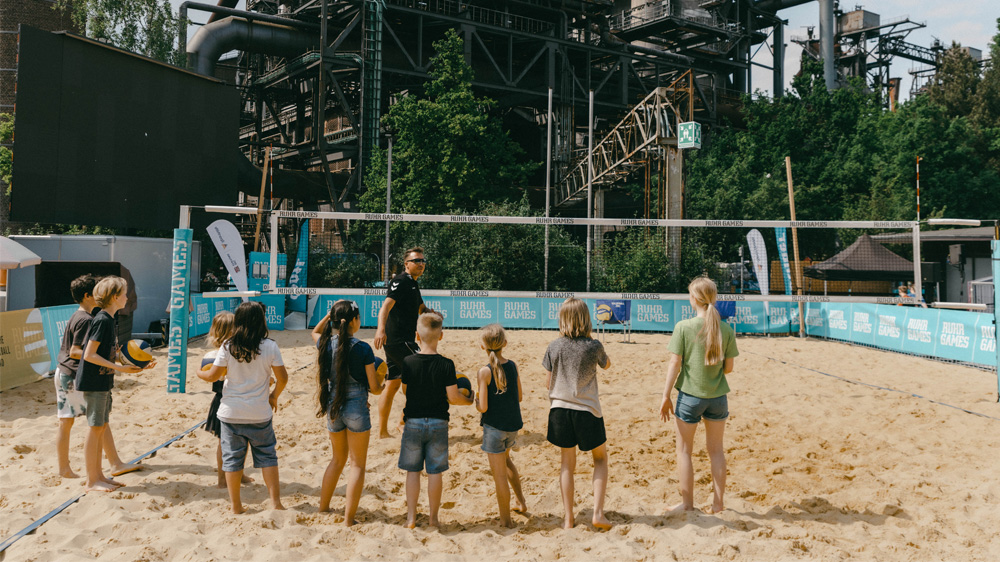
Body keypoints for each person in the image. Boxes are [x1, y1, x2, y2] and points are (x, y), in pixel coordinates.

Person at [198, 301, 288, 514]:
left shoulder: (228, 345)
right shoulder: (270, 346)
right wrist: (273, 396)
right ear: (261, 321)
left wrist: (199, 373)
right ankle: (275, 503)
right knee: (268, 456)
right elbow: (283, 378)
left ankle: (236, 506)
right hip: (259, 413)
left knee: (233, 460)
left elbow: (213, 376)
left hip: (231, 413)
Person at [659, 277, 739, 514]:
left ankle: (687, 505)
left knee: (684, 451)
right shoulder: (725, 329)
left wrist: (665, 396)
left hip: (690, 397)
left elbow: (675, 364)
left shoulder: (684, 327)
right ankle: (718, 503)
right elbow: (729, 369)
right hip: (717, 397)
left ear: (694, 299)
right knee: (716, 450)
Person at [55, 274, 139, 480]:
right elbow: (78, 352)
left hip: (74, 373)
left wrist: (120, 360)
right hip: (72, 374)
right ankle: (68, 469)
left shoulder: (88, 316)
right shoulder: (88, 319)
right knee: (79, 424)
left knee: (99, 423)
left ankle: (113, 463)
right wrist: (117, 366)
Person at [76, 276, 153, 493]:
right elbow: (89, 355)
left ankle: (99, 475)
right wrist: (120, 368)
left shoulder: (110, 319)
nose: (127, 296)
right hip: (94, 381)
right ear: (115, 297)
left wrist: (137, 363)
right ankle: (92, 480)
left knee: (100, 428)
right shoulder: (102, 320)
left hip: (102, 380)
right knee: (95, 429)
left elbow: (108, 353)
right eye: (125, 293)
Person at [543, 298, 612, 530]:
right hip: (587, 409)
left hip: (560, 409)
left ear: (562, 319)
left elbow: (547, 382)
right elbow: (607, 365)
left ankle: (569, 518)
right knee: (600, 459)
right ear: (586, 319)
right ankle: (598, 513)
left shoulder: (554, 346)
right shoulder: (594, 346)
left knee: (566, 465)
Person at [398, 312, 473, 528]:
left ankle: (411, 517)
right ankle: (433, 518)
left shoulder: (408, 362)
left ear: (416, 336)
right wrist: (468, 400)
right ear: (441, 336)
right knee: (435, 472)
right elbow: (453, 397)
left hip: (413, 422)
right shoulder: (447, 365)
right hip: (439, 423)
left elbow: (405, 391)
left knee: (413, 471)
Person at [313, 300, 384, 525]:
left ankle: (323, 508)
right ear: (354, 321)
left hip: (333, 405)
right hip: (356, 408)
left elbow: (315, 331)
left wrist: (330, 315)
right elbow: (373, 388)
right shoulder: (363, 348)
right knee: (357, 465)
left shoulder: (324, 344)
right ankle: (348, 520)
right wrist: (382, 385)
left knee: (337, 460)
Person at [374, 247, 432, 439]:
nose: (421, 264)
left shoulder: (413, 284)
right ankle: (402, 423)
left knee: (392, 385)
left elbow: (421, 308)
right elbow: (385, 307)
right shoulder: (401, 281)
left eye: (423, 261)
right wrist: (380, 330)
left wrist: (433, 315)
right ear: (406, 264)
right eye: (416, 261)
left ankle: (383, 432)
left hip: (400, 341)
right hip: (400, 340)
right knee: (421, 379)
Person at [474, 324, 527, 528]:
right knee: (507, 461)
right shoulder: (512, 366)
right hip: (512, 425)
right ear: (505, 344)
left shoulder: (484, 372)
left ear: (482, 347)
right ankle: (521, 502)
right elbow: (520, 397)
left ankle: (506, 521)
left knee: (499, 477)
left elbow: (483, 407)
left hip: (494, 427)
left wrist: (475, 401)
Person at [202, 311, 253, 488]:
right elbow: (211, 376)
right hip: (224, 401)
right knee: (225, 443)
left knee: (242, 440)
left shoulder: (239, 352)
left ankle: (240, 473)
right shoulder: (213, 355)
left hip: (239, 398)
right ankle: (222, 479)